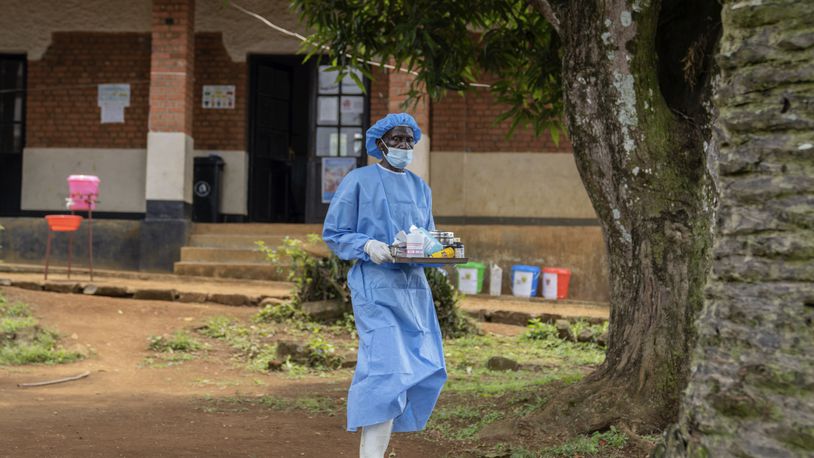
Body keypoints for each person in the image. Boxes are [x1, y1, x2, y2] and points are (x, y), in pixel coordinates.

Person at [322, 113, 447, 458]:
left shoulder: (421, 188)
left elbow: (427, 238)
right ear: (380, 143)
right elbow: (335, 232)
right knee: (387, 370)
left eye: (409, 140)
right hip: (375, 286)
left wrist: (439, 252)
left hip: (413, 291)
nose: (404, 146)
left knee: (416, 369)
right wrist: (367, 246)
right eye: (397, 139)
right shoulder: (359, 181)